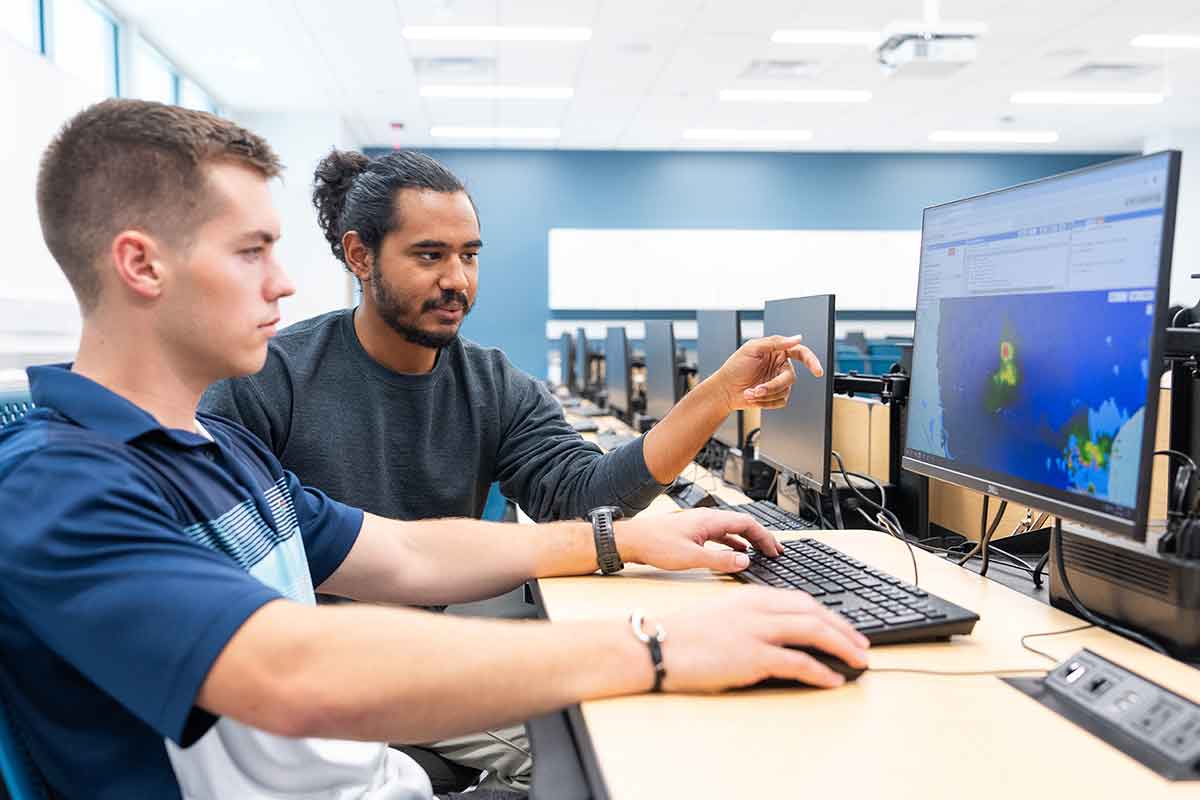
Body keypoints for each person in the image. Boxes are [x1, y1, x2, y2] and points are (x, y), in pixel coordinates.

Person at [0, 99, 867, 800]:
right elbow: (290, 669)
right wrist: (656, 646)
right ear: (142, 267)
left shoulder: (209, 448)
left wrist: (620, 541)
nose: (285, 279)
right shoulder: (58, 485)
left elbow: (406, 550)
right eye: (252, 251)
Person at [199, 148, 826, 790]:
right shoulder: (268, 381)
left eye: (469, 255)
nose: (457, 280)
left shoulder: (491, 383)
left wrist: (715, 396)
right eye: (429, 255)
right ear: (360, 256)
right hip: (327, 672)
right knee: (614, 740)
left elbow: (583, 496)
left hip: (434, 645)